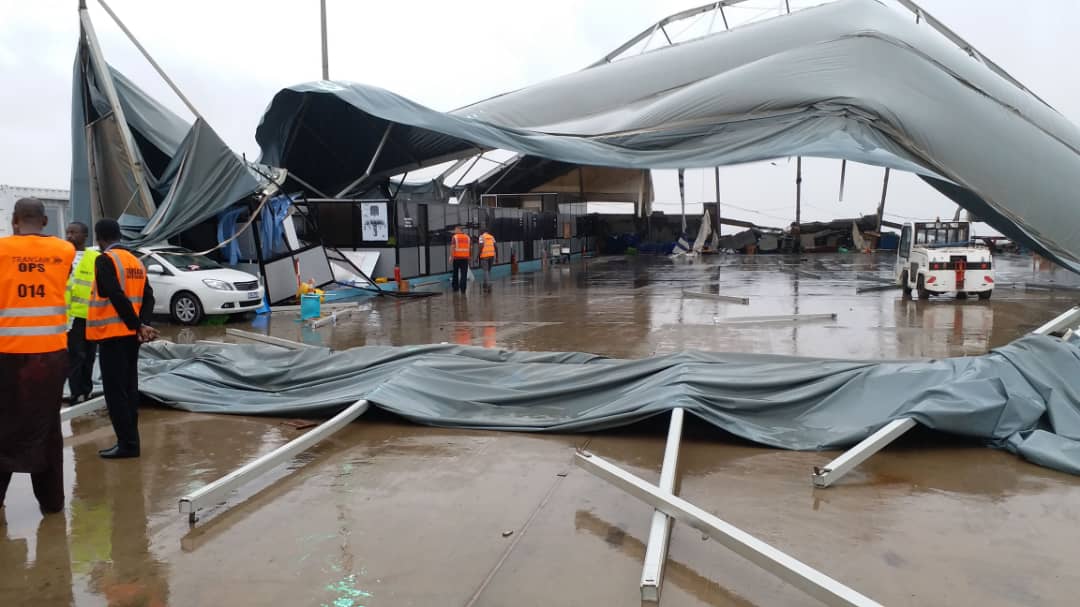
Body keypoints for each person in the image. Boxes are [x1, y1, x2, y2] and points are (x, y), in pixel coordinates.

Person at [0, 198, 76, 514]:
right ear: (45, 222)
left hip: (8, 357)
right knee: (47, 428)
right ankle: (52, 502)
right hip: (51, 357)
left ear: (14, 220)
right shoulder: (64, 251)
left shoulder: (2, 250)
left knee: (3, 426)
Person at [88, 219, 157, 459]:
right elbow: (149, 297)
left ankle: (127, 444)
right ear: (119, 235)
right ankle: (131, 442)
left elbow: (114, 295)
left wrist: (137, 324)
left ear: (99, 239)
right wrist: (142, 325)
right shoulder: (135, 261)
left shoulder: (105, 260)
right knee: (129, 389)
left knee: (115, 392)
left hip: (113, 335)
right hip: (131, 338)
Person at [65, 221, 99, 404]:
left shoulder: (94, 257)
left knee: (89, 355)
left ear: (85, 235)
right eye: (68, 232)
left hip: (91, 316)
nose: (69, 236)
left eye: (74, 232)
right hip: (71, 317)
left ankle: (86, 390)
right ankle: (75, 392)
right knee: (76, 356)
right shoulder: (62, 256)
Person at [450, 226, 471, 294]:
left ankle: (455, 288)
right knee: (464, 274)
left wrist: (451, 256)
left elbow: (452, 247)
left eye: (455, 229)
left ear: (459, 230)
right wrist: (470, 256)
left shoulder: (455, 237)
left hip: (456, 258)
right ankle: (463, 289)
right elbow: (470, 248)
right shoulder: (467, 237)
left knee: (455, 273)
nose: (454, 231)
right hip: (465, 258)